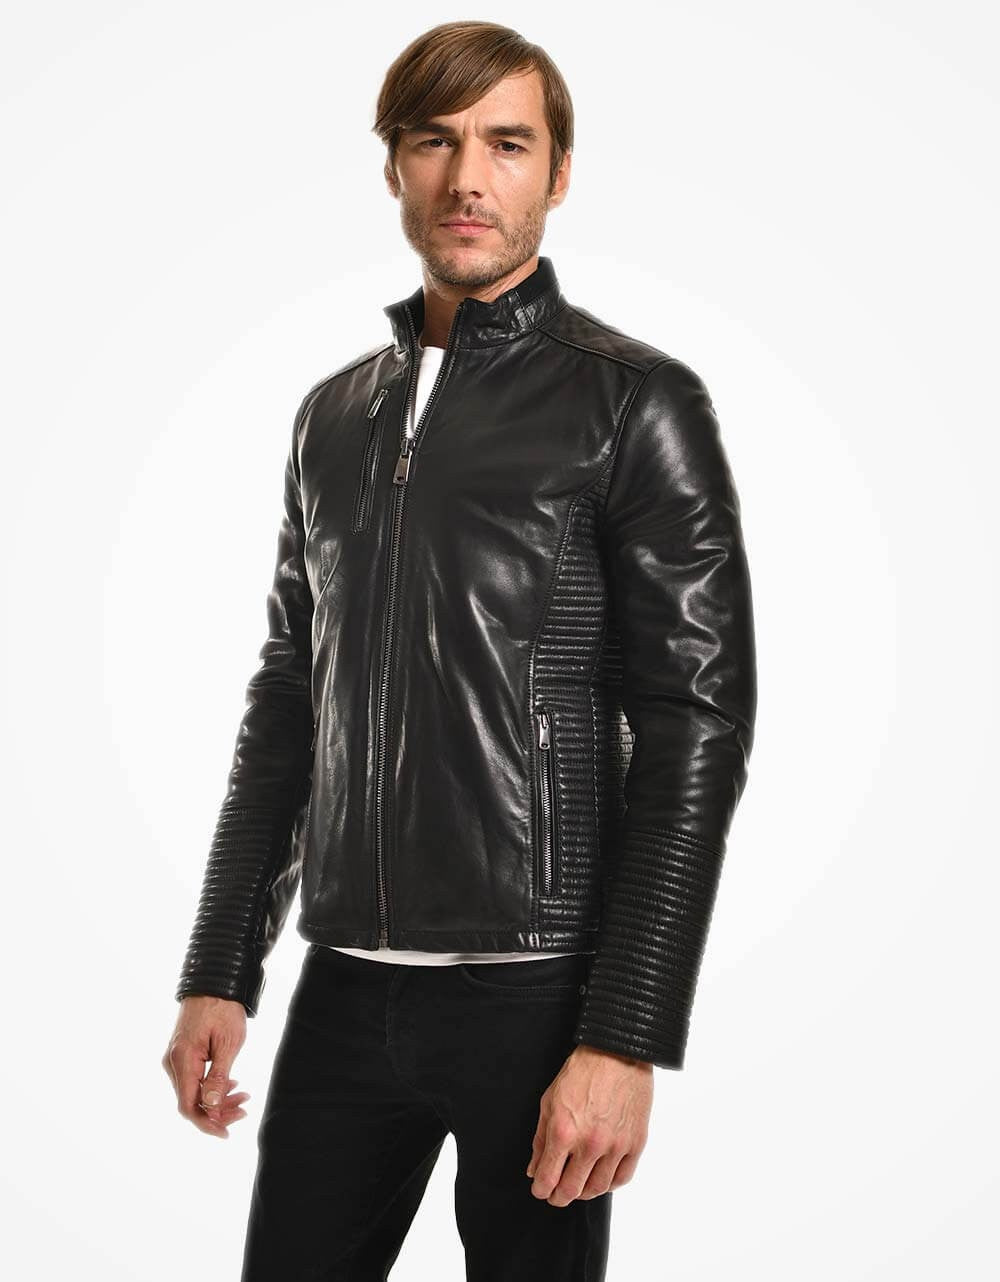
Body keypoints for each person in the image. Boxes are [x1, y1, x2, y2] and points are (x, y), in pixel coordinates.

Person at [162, 19, 757, 1281]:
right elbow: (289, 701)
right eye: (434, 142)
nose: (467, 179)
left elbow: (696, 723)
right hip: (344, 987)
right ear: (393, 166)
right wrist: (220, 967)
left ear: (559, 171)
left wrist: (625, 1033)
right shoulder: (332, 415)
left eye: (507, 144)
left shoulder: (632, 402)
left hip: (540, 996)